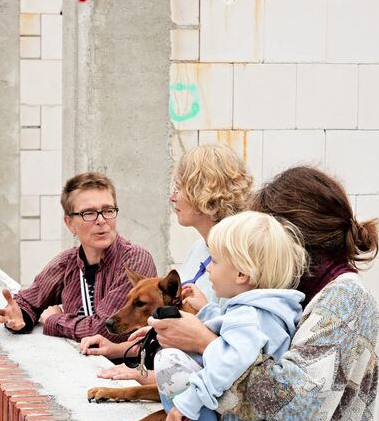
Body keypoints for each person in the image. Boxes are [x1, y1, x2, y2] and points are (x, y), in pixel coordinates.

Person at [142, 167, 379, 421]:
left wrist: (206, 344)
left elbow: (301, 407)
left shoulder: (345, 300)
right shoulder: (289, 289)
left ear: (296, 238)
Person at [138, 211, 306, 421]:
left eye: (214, 261)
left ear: (241, 274)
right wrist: (206, 311)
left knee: (169, 359)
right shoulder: (258, 310)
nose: (207, 268)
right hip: (233, 415)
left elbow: (229, 361)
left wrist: (188, 402)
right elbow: (234, 337)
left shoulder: (249, 315)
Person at [78, 145, 253, 372]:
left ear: (204, 192)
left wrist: (144, 378)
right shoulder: (199, 248)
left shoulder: (240, 261)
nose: (172, 197)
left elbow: (231, 357)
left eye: (179, 188)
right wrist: (120, 349)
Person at [0, 172, 156, 341]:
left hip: (123, 365)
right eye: (89, 213)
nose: (101, 220)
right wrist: (17, 315)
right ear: (70, 223)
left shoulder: (134, 261)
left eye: (108, 211)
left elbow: (106, 330)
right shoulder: (67, 262)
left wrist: (54, 320)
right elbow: (28, 301)